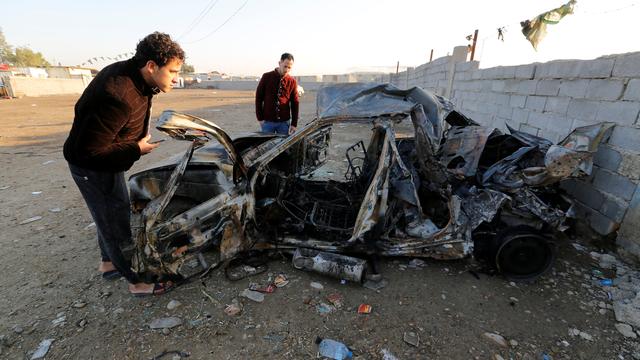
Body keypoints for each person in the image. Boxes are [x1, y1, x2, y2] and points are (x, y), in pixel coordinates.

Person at [63, 32, 184, 296]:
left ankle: (108, 264)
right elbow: (91, 152)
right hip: (92, 168)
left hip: (107, 162)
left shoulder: (136, 77)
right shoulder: (118, 93)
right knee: (115, 221)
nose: (176, 78)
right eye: (173, 71)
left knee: (107, 214)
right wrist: (135, 148)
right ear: (151, 66)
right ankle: (137, 282)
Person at [255, 53, 300, 135]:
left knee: (283, 146)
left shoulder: (292, 81)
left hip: (284, 123)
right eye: (285, 66)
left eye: (289, 67)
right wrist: (260, 118)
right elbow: (258, 98)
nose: (287, 69)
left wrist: (294, 124)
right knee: (267, 146)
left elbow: (295, 103)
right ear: (280, 63)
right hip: (267, 122)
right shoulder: (266, 77)